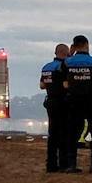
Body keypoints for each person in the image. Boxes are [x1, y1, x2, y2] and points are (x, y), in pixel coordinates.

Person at [57, 35, 92, 173]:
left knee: (72, 133)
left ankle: (71, 165)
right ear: (87, 44)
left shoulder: (67, 62)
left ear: (74, 46)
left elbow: (64, 83)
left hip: (74, 101)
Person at [39, 43, 70, 172]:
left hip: (50, 102)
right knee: (64, 133)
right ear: (65, 53)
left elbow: (42, 85)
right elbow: (66, 85)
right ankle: (63, 164)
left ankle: (51, 164)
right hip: (62, 102)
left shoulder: (46, 67)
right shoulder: (63, 67)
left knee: (52, 134)